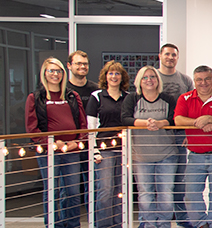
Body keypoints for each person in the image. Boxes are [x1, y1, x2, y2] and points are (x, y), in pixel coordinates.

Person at [25, 57, 87, 228]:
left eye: (58, 71)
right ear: (44, 73)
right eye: (51, 70)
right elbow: (32, 129)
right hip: (48, 153)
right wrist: (53, 143)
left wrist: (78, 141)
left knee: (73, 192)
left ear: (63, 73)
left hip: (72, 151)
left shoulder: (72, 96)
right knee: (52, 192)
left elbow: (83, 124)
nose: (55, 74)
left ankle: (73, 225)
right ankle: (54, 225)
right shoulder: (35, 97)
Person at [173, 65, 212, 228]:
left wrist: (211, 119)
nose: (203, 83)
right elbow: (178, 120)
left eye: (207, 79)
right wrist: (199, 122)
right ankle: (201, 224)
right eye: (199, 80)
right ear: (194, 81)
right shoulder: (185, 98)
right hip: (195, 154)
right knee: (191, 193)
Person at [122, 66, 179, 228]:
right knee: (145, 194)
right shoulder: (132, 99)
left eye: (152, 77)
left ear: (158, 80)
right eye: (145, 77)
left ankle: (164, 224)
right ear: (139, 81)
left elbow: (175, 119)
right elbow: (124, 119)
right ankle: (148, 225)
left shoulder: (168, 99)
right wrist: (145, 123)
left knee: (166, 194)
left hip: (167, 155)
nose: (149, 80)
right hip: (141, 156)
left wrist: (161, 123)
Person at [87, 61, 128, 228]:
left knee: (120, 192)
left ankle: (118, 225)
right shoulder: (96, 97)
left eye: (117, 73)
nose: (114, 76)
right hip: (104, 151)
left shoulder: (128, 97)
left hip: (123, 150)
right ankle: (103, 225)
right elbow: (90, 127)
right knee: (105, 191)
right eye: (110, 73)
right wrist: (94, 151)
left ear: (122, 77)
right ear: (105, 76)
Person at [157, 43, 193, 227]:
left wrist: (189, 133)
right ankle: (157, 219)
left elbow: (191, 108)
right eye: (167, 54)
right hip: (157, 137)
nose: (170, 58)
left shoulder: (185, 80)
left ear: (177, 58)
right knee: (158, 180)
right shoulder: (152, 78)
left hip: (179, 136)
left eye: (174, 55)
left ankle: (182, 218)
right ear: (160, 56)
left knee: (180, 179)